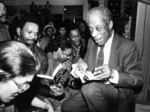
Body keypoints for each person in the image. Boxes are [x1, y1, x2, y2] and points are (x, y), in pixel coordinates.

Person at [61, 6, 143, 112]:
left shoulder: (128, 46)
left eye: (98, 28)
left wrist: (113, 74)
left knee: (89, 89)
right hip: (92, 90)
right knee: (67, 107)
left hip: (118, 94)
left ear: (109, 25)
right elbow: (87, 65)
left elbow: (138, 79)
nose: (94, 34)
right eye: (91, 29)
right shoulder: (91, 42)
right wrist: (83, 65)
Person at [15, 16, 53, 112]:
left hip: (30, 98)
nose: (33, 37)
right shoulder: (6, 52)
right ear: (19, 31)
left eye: (36, 34)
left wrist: (51, 91)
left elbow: (37, 86)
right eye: (29, 32)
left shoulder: (41, 56)